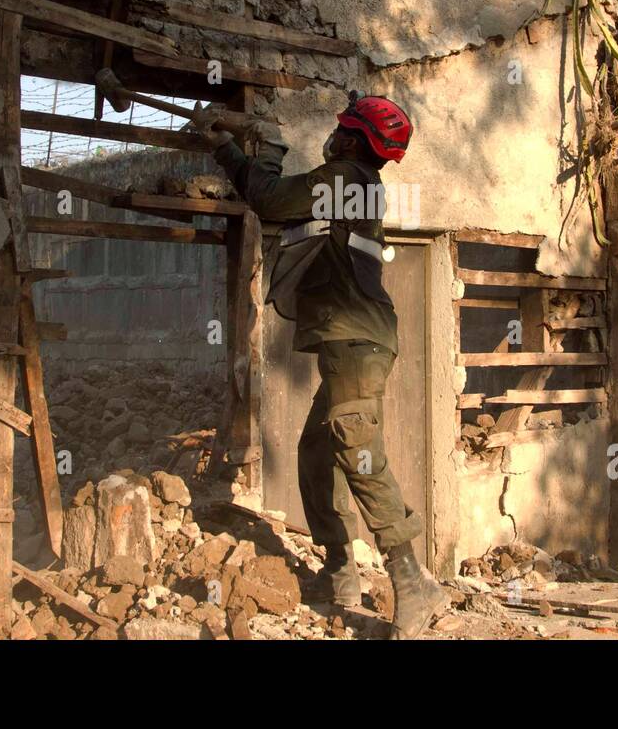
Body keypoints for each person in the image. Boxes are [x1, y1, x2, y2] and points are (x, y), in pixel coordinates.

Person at [189, 93, 446, 639]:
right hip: (350, 338)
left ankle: (411, 579)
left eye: (341, 131)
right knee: (316, 450)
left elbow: (271, 200)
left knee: (357, 447)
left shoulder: (346, 177)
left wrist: (235, 150)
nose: (333, 139)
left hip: (355, 339)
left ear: (353, 140)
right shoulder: (353, 182)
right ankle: (340, 568)